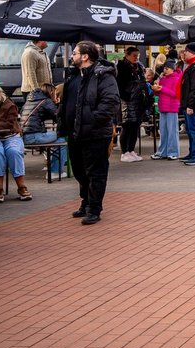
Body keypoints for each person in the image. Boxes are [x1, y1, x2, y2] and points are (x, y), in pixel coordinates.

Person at [58, 41, 120, 224]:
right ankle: (85, 201)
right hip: (75, 132)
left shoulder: (103, 75)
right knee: (79, 170)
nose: (72, 56)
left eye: (75, 53)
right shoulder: (73, 75)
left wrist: (93, 119)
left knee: (96, 172)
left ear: (85, 56)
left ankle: (94, 208)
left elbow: (110, 102)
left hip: (95, 133)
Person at [0, 81, 31, 202]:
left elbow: (8, 124)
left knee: (13, 152)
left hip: (11, 135)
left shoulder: (7, 103)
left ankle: (21, 186)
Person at [21, 82, 67, 177]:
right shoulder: (46, 101)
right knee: (62, 139)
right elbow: (57, 116)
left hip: (23, 137)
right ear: (51, 92)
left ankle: (51, 166)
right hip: (34, 136)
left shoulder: (30, 100)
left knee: (56, 139)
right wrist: (58, 104)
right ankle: (55, 172)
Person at [116, 46, 146, 163]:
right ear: (127, 55)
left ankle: (131, 149)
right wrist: (126, 96)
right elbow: (119, 85)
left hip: (137, 100)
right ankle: (125, 152)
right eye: (134, 55)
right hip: (127, 101)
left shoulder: (138, 66)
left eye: (137, 56)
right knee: (127, 125)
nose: (136, 58)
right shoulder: (121, 67)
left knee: (135, 125)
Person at [151, 60, 182, 160]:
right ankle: (162, 151)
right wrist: (156, 90)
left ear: (172, 69)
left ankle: (173, 152)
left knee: (172, 131)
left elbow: (176, 94)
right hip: (163, 107)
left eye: (167, 68)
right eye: (164, 68)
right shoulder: (163, 79)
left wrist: (162, 89)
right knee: (163, 131)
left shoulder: (177, 79)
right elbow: (160, 93)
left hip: (172, 108)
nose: (165, 70)